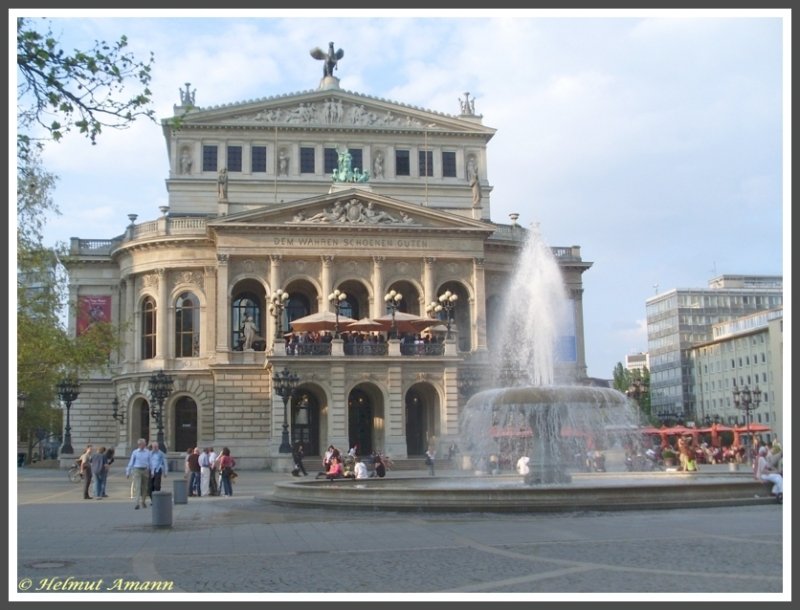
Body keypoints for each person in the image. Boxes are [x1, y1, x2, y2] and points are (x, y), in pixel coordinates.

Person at [125, 438, 151, 510]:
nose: (143, 445)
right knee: (137, 487)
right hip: (137, 470)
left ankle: (143, 501)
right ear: (139, 445)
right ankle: (137, 503)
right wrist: (128, 471)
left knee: (145, 487)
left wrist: (151, 471)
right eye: (142, 444)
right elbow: (131, 462)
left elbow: (150, 462)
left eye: (144, 444)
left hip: (145, 470)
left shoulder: (148, 452)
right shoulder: (135, 452)